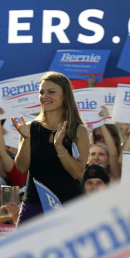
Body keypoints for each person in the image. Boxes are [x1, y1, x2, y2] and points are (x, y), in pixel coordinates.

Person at [11, 72, 90, 224]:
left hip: (68, 205)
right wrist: (27, 139)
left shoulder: (79, 131)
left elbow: (77, 172)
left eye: (51, 92)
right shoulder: (28, 129)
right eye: (41, 92)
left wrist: (59, 148)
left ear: (65, 96)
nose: (44, 96)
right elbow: (21, 167)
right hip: (34, 206)